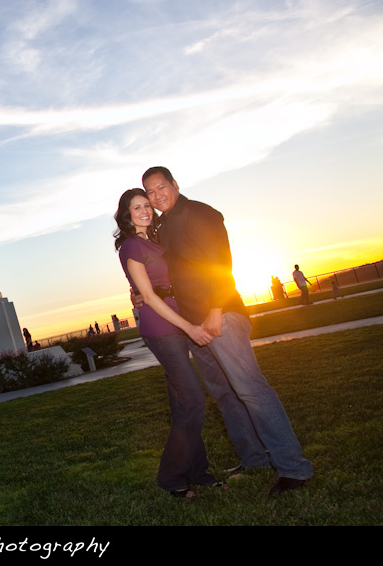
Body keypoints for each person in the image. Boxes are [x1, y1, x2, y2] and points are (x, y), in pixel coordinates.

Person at [142, 166, 313, 494]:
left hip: (221, 316)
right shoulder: (165, 226)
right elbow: (177, 274)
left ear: (175, 184)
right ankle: (254, 459)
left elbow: (222, 262)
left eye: (161, 187)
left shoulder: (199, 214)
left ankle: (294, 468)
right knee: (223, 394)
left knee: (251, 390)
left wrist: (216, 311)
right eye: (150, 192)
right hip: (197, 327)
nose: (156, 196)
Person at [115, 188, 222, 498]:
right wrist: (189, 326)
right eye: (137, 207)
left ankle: (197, 472)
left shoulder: (156, 241)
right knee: (193, 400)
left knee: (181, 405)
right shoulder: (131, 246)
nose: (145, 211)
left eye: (147, 205)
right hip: (161, 328)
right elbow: (146, 296)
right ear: (127, 215)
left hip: (177, 318)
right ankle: (171, 476)